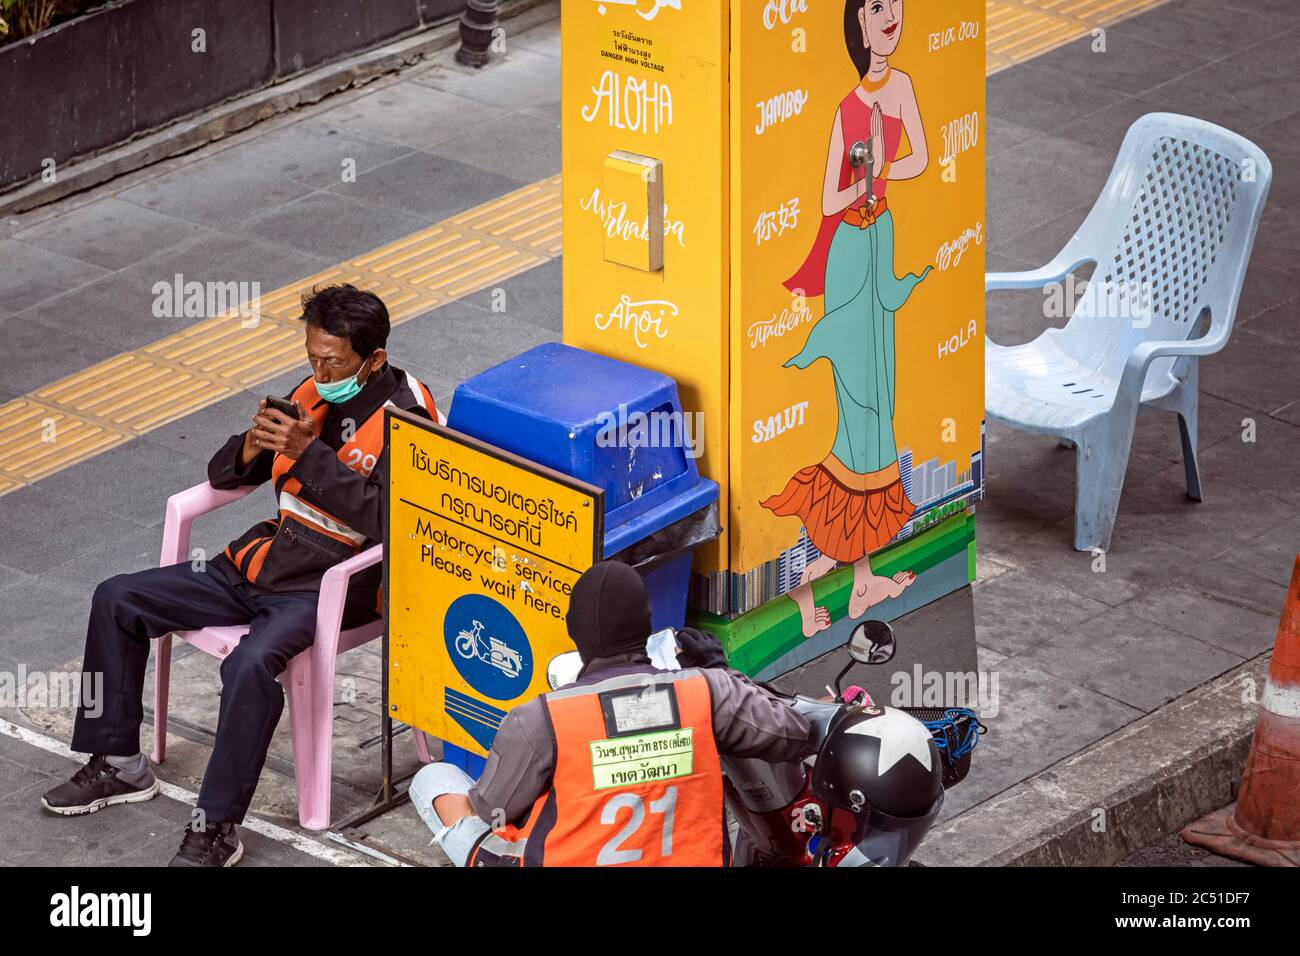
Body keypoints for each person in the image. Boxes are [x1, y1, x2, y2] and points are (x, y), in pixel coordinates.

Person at [41, 284, 439, 867]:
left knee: (250, 664)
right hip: (261, 562)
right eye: (312, 355)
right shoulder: (310, 392)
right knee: (117, 598)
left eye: (333, 360)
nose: (319, 370)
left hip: (330, 589)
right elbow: (223, 476)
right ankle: (119, 763)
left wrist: (310, 456)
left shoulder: (410, 415)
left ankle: (217, 828)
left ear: (373, 358)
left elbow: (396, 520)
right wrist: (251, 445)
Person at [408, 560, 815, 867]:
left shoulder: (538, 719)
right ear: (648, 624)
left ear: (571, 630)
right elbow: (794, 732)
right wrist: (720, 669)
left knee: (433, 779)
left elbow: (491, 809)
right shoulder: (707, 691)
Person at [762, 0, 930, 638]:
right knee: (857, 406)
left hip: (879, 240)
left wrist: (881, 161)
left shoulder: (904, 87)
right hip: (849, 252)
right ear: (859, 24)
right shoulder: (845, 107)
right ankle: (805, 584)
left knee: (877, 412)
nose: (892, 17)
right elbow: (830, 197)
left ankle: (859, 582)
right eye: (878, 8)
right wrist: (864, 168)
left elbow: (918, 157)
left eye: (897, 7)